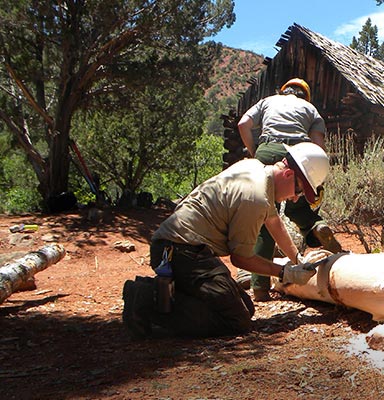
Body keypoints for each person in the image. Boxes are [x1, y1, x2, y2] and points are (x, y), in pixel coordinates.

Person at [122, 142, 330, 339]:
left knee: (245, 307)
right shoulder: (255, 197)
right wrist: (286, 272)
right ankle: (146, 298)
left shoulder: (255, 168)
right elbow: (241, 258)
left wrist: (297, 259)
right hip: (182, 251)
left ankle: (169, 294)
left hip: (183, 248)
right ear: (287, 174)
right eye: (299, 191)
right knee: (235, 320)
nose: (295, 198)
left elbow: (273, 220)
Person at [237, 78, 343, 301]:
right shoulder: (310, 109)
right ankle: (317, 225)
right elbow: (318, 147)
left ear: (283, 90)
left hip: (267, 150)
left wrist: (256, 151)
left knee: (264, 218)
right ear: (305, 95)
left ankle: (260, 288)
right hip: (299, 155)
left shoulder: (267, 101)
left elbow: (243, 124)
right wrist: (316, 181)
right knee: (298, 209)